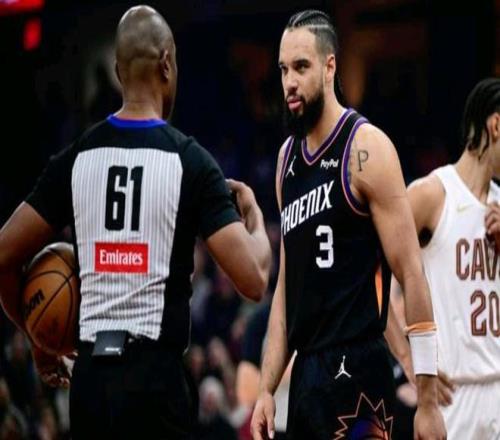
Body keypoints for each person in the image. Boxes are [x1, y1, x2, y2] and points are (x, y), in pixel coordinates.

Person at [0, 5, 272, 439]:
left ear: (117, 71)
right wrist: (254, 216)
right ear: (167, 64)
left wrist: (39, 336)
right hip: (155, 382)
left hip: (90, 384)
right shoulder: (190, 162)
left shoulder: (76, 159)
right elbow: (254, 279)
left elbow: (4, 255)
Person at [250, 9, 446, 440]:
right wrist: (266, 388)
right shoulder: (286, 161)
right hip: (307, 374)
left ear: (330, 67)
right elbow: (286, 287)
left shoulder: (367, 148)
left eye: (301, 67)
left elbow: (412, 273)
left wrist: (428, 400)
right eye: (283, 70)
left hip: (360, 370)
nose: (289, 82)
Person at [387, 77, 500, 439]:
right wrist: (411, 362)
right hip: (452, 395)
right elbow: (369, 278)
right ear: (495, 125)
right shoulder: (431, 194)